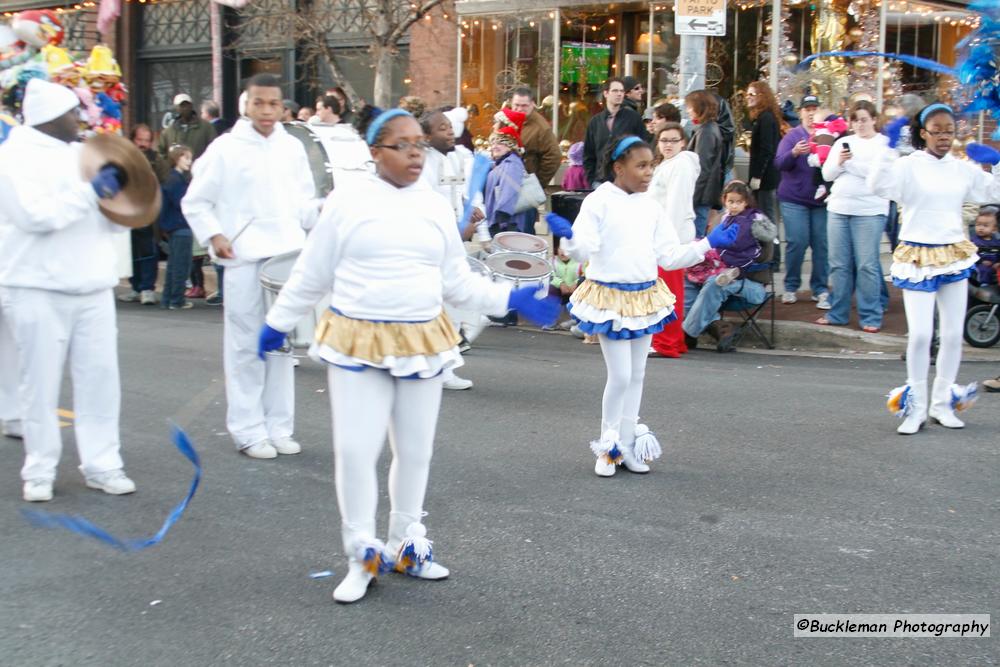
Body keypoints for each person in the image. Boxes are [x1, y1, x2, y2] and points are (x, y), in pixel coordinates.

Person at [257, 108, 557, 603]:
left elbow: (455, 280)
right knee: (357, 452)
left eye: (419, 144)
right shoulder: (348, 202)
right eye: (403, 144)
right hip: (359, 339)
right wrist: (277, 322)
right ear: (375, 152)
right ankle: (361, 555)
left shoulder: (434, 205)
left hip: (421, 338)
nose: (416, 153)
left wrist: (508, 299)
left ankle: (403, 545)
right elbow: (311, 273)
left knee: (415, 451)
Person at [546, 135, 738, 477]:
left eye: (651, 165)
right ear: (619, 168)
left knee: (637, 375)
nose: (649, 172)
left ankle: (628, 445)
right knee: (619, 376)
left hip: (645, 295)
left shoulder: (651, 205)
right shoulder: (599, 201)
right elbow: (584, 248)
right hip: (610, 298)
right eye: (641, 165)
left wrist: (707, 243)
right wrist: (570, 240)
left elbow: (669, 255)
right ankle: (608, 448)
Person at [0, 79, 137, 502]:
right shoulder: (11, 158)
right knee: (37, 384)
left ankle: (103, 463)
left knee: (100, 380)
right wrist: (91, 192)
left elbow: (114, 219)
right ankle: (39, 470)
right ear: (48, 117)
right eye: (71, 113)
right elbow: (35, 216)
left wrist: (120, 201)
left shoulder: (84, 153)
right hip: (36, 286)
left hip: (92, 285)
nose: (79, 120)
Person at [182, 74, 321, 459]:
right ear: (245, 104)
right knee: (245, 345)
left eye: (273, 104)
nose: (266, 111)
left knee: (280, 345)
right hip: (244, 258)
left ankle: (279, 426)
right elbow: (196, 201)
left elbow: (304, 204)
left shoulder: (292, 147)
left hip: (286, 257)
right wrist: (215, 235)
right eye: (258, 103)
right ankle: (247, 430)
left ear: (282, 107)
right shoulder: (225, 149)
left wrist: (324, 211)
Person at [868, 103, 998, 434]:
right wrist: (885, 147)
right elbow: (878, 186)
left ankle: (942, 404)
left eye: (949, 130)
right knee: (922, 335)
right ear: (924, 133)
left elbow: (993, 192)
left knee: (953, 335)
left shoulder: (961, 168)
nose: (944, 136)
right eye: (937, 130)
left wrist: (996, 164)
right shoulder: (907, 165)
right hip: (918, 257)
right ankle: (915, 409)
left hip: (953, 253)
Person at [419, 108, 486, 390]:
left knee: (454, 308)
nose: (450, 132)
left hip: (453, 244)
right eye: (442, 128)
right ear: (426, 136)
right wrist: (459, 230)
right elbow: (426, 209)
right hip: (432, 247)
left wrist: (470, 215)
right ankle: (433, 368)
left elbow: (458, 197)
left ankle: (444, 367)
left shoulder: (458, 157)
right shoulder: (421, 163)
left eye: (450, 127)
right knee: (436, 308)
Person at [819, 100, 890, 332]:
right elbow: (827, 174)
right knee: (838, 265)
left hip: (869, 211)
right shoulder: (842, 142)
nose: (859, 124)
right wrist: (840, 162)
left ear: (873, 120)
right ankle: (837, 312)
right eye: (855, 119)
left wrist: (852, 165)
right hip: (839, 208)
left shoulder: (884, 145)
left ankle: (870, 316)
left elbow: (878, 175)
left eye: (863, 119)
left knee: (866, 265)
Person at [683, 182, 771, 352]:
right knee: (687, 278)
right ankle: (716, 325)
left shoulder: (756, 223)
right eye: (730, 201)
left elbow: (765, 256)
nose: (734, 205)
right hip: (719, 272)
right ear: (724, 200)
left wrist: (731, 255)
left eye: (739, 201)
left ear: (746, 201)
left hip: (749, 282)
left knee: (716, 283)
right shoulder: (721, 220)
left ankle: (687, 333)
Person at [648, 122, 700, 358]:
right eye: (664, 140)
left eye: (673, 140)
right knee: (670, 290)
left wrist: (666, 241)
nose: (668, 145)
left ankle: (665, 342)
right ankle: (672, 340)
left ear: (683, 142)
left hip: (670, 238)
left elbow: (676, 206)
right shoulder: (669, 164)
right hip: (665, 235)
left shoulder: (680, 166)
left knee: (667, 291)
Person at [775, 94, 830, 308]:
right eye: (807, 108)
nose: (810, 112)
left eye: (814, 108)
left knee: (821, 244)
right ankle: (790, 286)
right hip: (794, 198)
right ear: (801, 112)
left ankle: (821, 288)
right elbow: (779, 163)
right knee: (797, 242)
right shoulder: (792, 136)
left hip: (821, 201)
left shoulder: (827, 134)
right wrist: (794, 152)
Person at [119, 124, 166, 305]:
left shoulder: (156, 160)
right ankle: (136, 287)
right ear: (132, 140)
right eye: (140, 140)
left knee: (148, 251)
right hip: (128, 214)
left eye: (147, 140)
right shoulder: (123, 159)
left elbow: (166, 184)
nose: (143, 144)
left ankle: (147, 288)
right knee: (132, 252)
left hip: (149, 215)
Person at [508, 87, 562, 233]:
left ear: (532, 104)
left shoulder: (541, 127)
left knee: (523, 233)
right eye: (516, 105)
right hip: (506, 187)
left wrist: (537, 183)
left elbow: (554, 156)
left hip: (525, 189)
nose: (519, 109)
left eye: (524, 106)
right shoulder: (507, 119)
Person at [582, 78, 648, 186]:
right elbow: (588, 154)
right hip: (601, 182)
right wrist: (592, 180)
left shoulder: (633, 118)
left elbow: (643, 148)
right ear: (606, 93)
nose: (619, 94)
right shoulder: (595, 122)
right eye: (615, 91)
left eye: (622, 91)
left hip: (626, 181)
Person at [745, 81, 784, 235]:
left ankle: (772, 256)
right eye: (747, 94)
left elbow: (767, 150)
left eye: (752, 94)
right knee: (763, 214)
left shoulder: (766, 118)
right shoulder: (762, 118)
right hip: (764, 177)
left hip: (766, 179)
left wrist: (757, 176)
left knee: (767, 216)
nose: (748, 97)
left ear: (762, 96)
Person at [159, 144, 195, 310]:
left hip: (173, 226)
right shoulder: (176, 180)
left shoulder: (171, 178)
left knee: (173, 265)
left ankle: (168, 299)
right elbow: (183, 203)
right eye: (186, 157)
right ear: (176, 158)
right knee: (181, 265)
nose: (189, 161)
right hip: (181, 225)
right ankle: (176, 300)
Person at [686, 89, 725, 238]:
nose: (688, 110)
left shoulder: (706, 131)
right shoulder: (708, 128)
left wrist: (692, 199)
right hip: (704, 194)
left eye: (690, 107)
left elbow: (702, 168)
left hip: (701, 196)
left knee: (695, 238)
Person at [309, 94, 371, 181]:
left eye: (319, 109)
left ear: (329, 109)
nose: (316, 113)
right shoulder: (319, 131)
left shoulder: (348, 131)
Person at [158, 93, 217, 160]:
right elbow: (161, 154)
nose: (185, 108)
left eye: (187, 105)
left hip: (199, 169)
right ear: (176, 108)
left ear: (191, 106)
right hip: (175, 170)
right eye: (182, 106)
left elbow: (215, 150)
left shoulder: (206, 128)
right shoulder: (168, 132)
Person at [549, 246, 583, 329]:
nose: (563, 252)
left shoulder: (580, 261)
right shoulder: (552, 261)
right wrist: (561, 284)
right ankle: (551, 320)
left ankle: (577, 321)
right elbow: (550, 275)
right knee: (551, 289)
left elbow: (585, 275)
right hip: (560, 290)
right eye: (560, 248)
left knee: (583, 285)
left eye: (566, 249)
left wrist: (575, 283)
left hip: (576, 291)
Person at [971, 205, 1000, 285]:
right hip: (979, 264)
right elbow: (970, 255)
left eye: (985, 226)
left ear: (994, 229)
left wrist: (998, 262)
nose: (981, 228)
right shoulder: (974, 241)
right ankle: (984, 284)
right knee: (984, 270)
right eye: (978, 225)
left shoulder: (996, 242)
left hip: (994, 264)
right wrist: (981, 261)